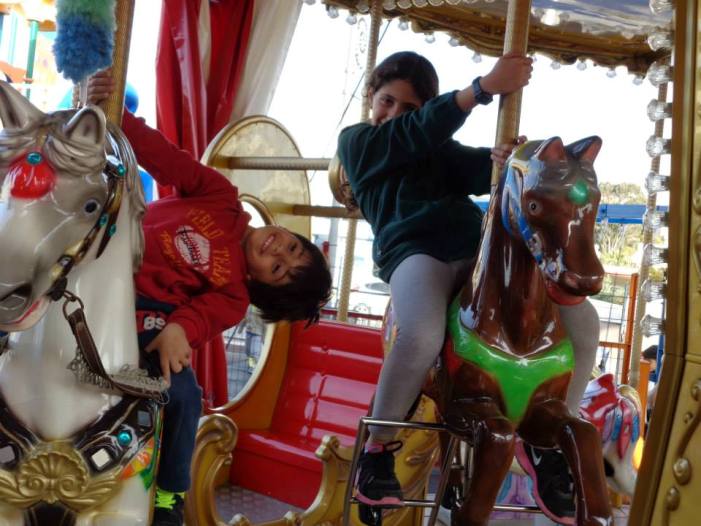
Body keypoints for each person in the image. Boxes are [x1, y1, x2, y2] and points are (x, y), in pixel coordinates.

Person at [336, 51, 600, 525]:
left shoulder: (436, 151)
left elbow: (479, 171)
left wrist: (506, 161)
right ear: (371, 99)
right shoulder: (360, 143)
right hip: (418, 254)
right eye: (386, 101)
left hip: (479, 253)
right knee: (420, 335)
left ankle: (549, 442)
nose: (393, 113)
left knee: (584, 322)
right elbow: (413, 134)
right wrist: (480, 90)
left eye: (408, 107)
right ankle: (376, 449)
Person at [88, 73, 332, 526]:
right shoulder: (222, 197)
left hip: (149, 315)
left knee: (184, 396)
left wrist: (178, 330)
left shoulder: (233, 294)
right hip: (101, 258)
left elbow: (199, 318)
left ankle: (169, 494)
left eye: (279, 268)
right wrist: (117, 116)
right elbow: (165, 159)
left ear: (261, 285)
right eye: (291, 246)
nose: (277, 250)